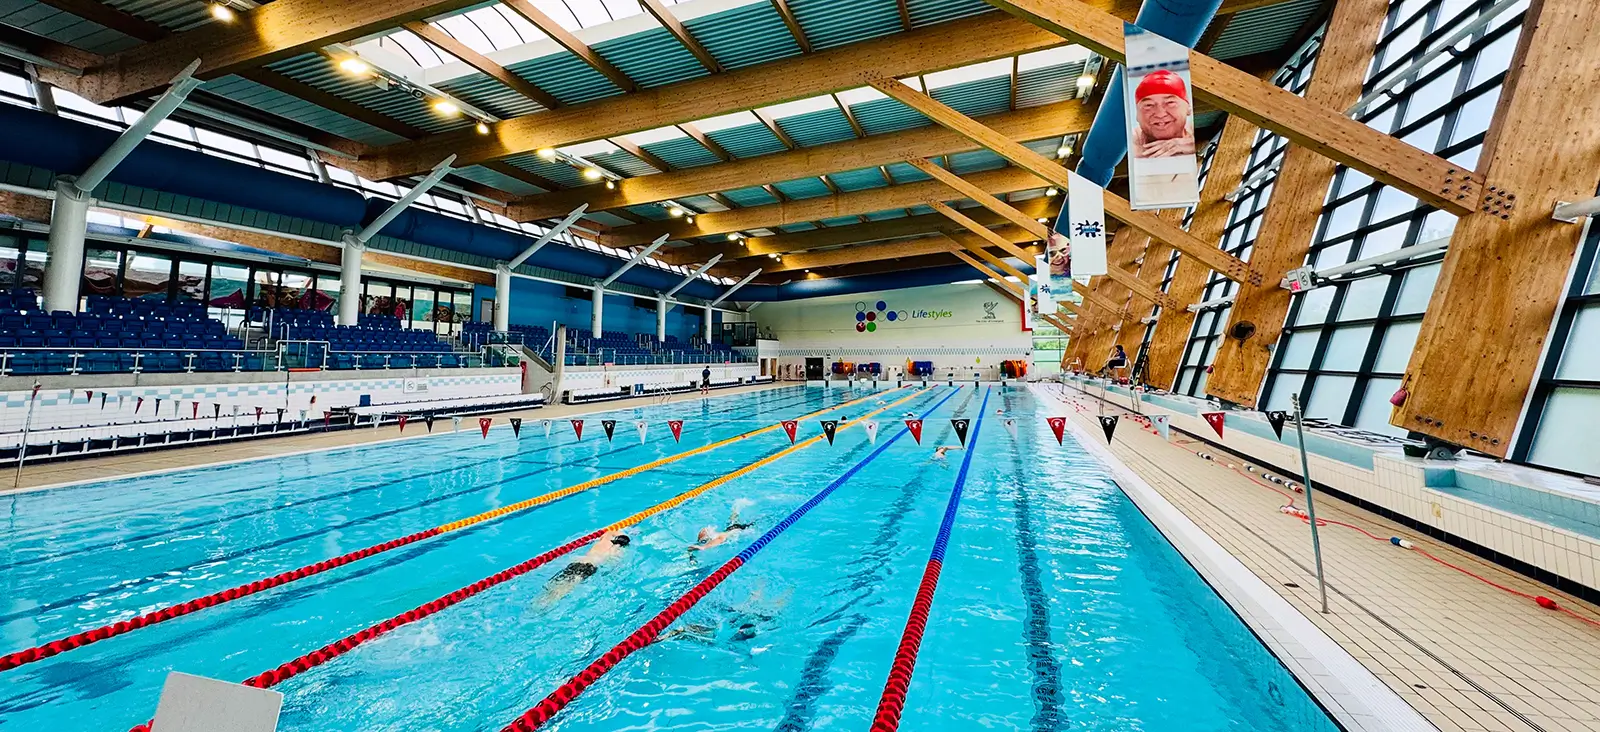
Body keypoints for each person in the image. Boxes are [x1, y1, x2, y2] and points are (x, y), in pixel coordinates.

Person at [540, 529, 630, 604]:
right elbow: (612, 566)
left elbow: (609, 532)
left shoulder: (606, 538)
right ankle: (541, 609)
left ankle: (538, 603)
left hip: (577, 562)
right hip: (589, 567)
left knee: (553, 586)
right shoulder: (618, 551)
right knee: (561, 591)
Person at [1131, 70, 1195, 159]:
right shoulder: (1130, 141)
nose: (1160, 114)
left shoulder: (1196, 133)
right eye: (1148, 105)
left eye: (1170, 103)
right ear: (1137, 114)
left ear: (1188, 108)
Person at [689, 502, 755, 553]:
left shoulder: (721, 536)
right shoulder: (717, 535)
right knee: (733, 519)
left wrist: (704, 547)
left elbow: (719, 540)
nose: (709, 528)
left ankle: (737, 507)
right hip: (732, 528)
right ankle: (737, 507)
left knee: (752, 523)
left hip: (739, 528)